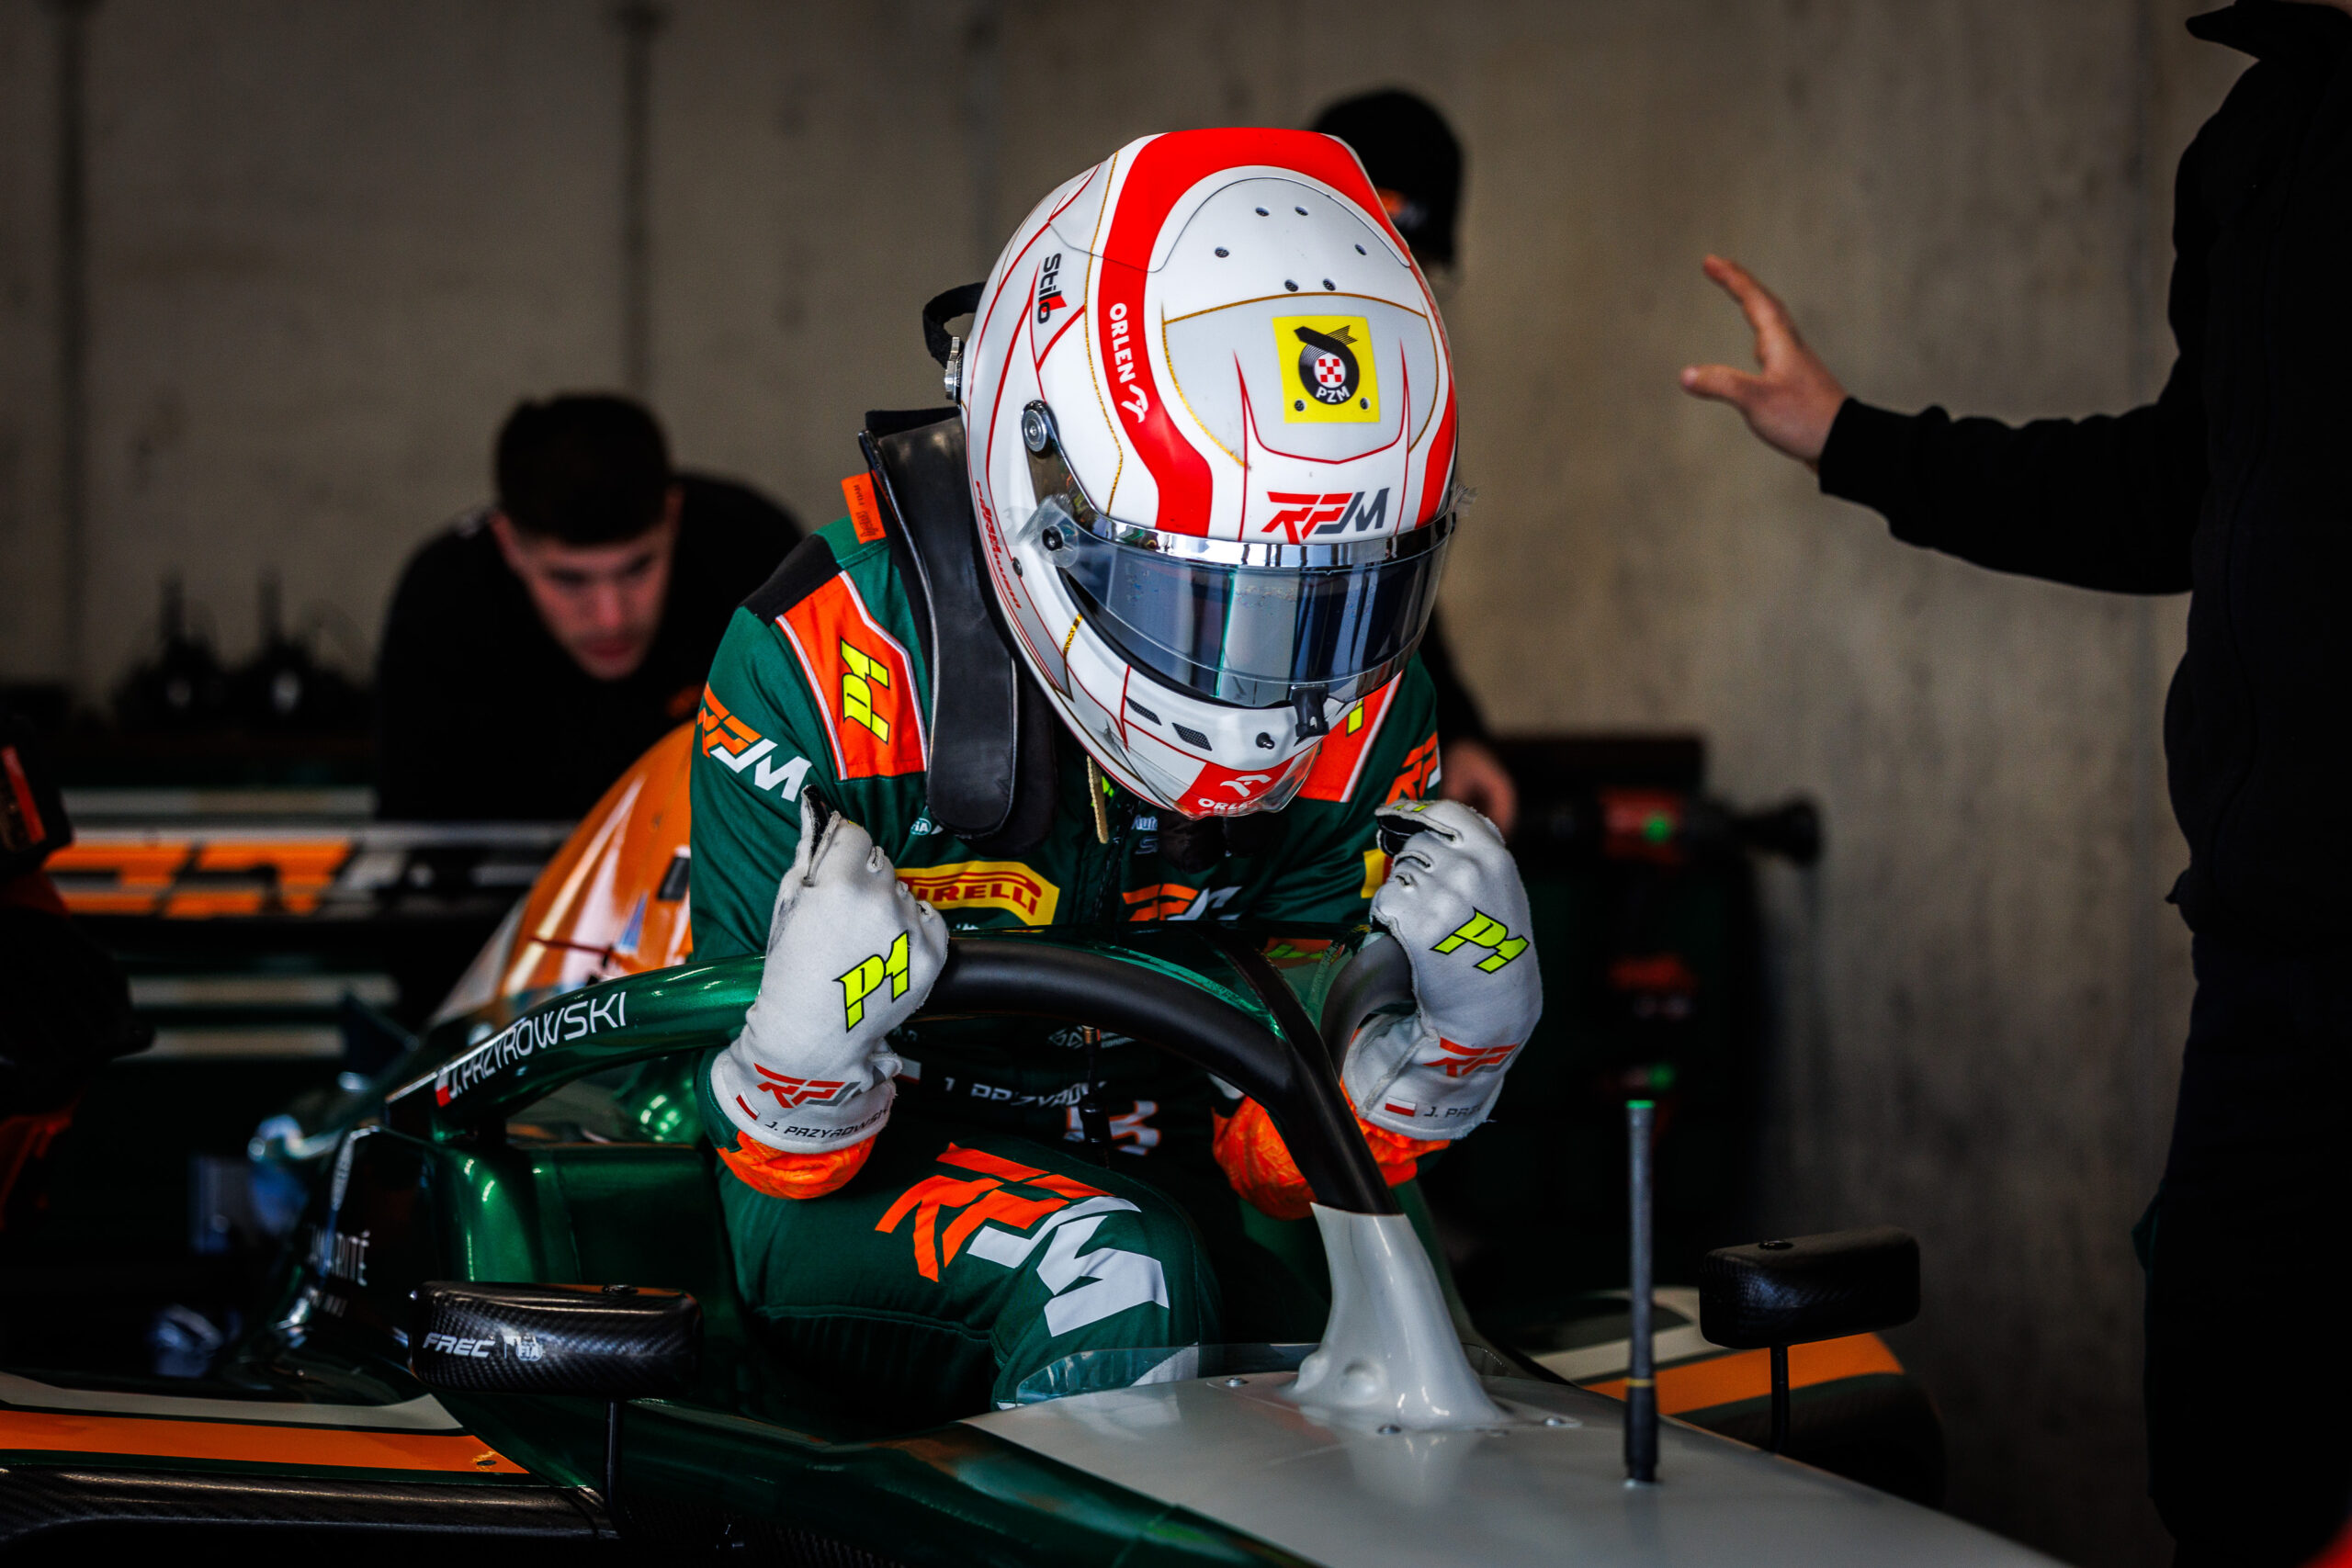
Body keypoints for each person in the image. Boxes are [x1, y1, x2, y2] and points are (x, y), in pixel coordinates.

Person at [687, 129, 1541, 1415]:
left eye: (1329, 607)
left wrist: (1438, 1058)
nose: (1271, 688)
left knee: (1405, 1338)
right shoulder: (818, 664)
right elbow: (765, 1157)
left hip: (1179, 1148)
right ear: (1043, 494)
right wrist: (804, 1055)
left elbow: (1285, 1145)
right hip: (871, 1167)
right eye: (1200, 604)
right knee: (1115, 1275)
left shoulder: (1372, 705)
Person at [1679, 3, 2352, 1559]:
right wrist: (1850, 439)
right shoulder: (2250, 146)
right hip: (2265, 960)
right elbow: (2173, 492)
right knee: (2232, 1470)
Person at [376, 394, 799, 821]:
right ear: (508, 543)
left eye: (637, 568)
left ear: (672, 518)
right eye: (569, 579)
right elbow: (417, 829)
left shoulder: (756, 557)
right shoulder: (444, 605)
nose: (610, 617)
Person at [1309, 88, 1519, 837]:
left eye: (1415, 266)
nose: (1387, 293)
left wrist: (1456, 730)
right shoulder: (1203, 357)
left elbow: (1391, 592)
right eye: (1362, 256)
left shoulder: (1395, 399)